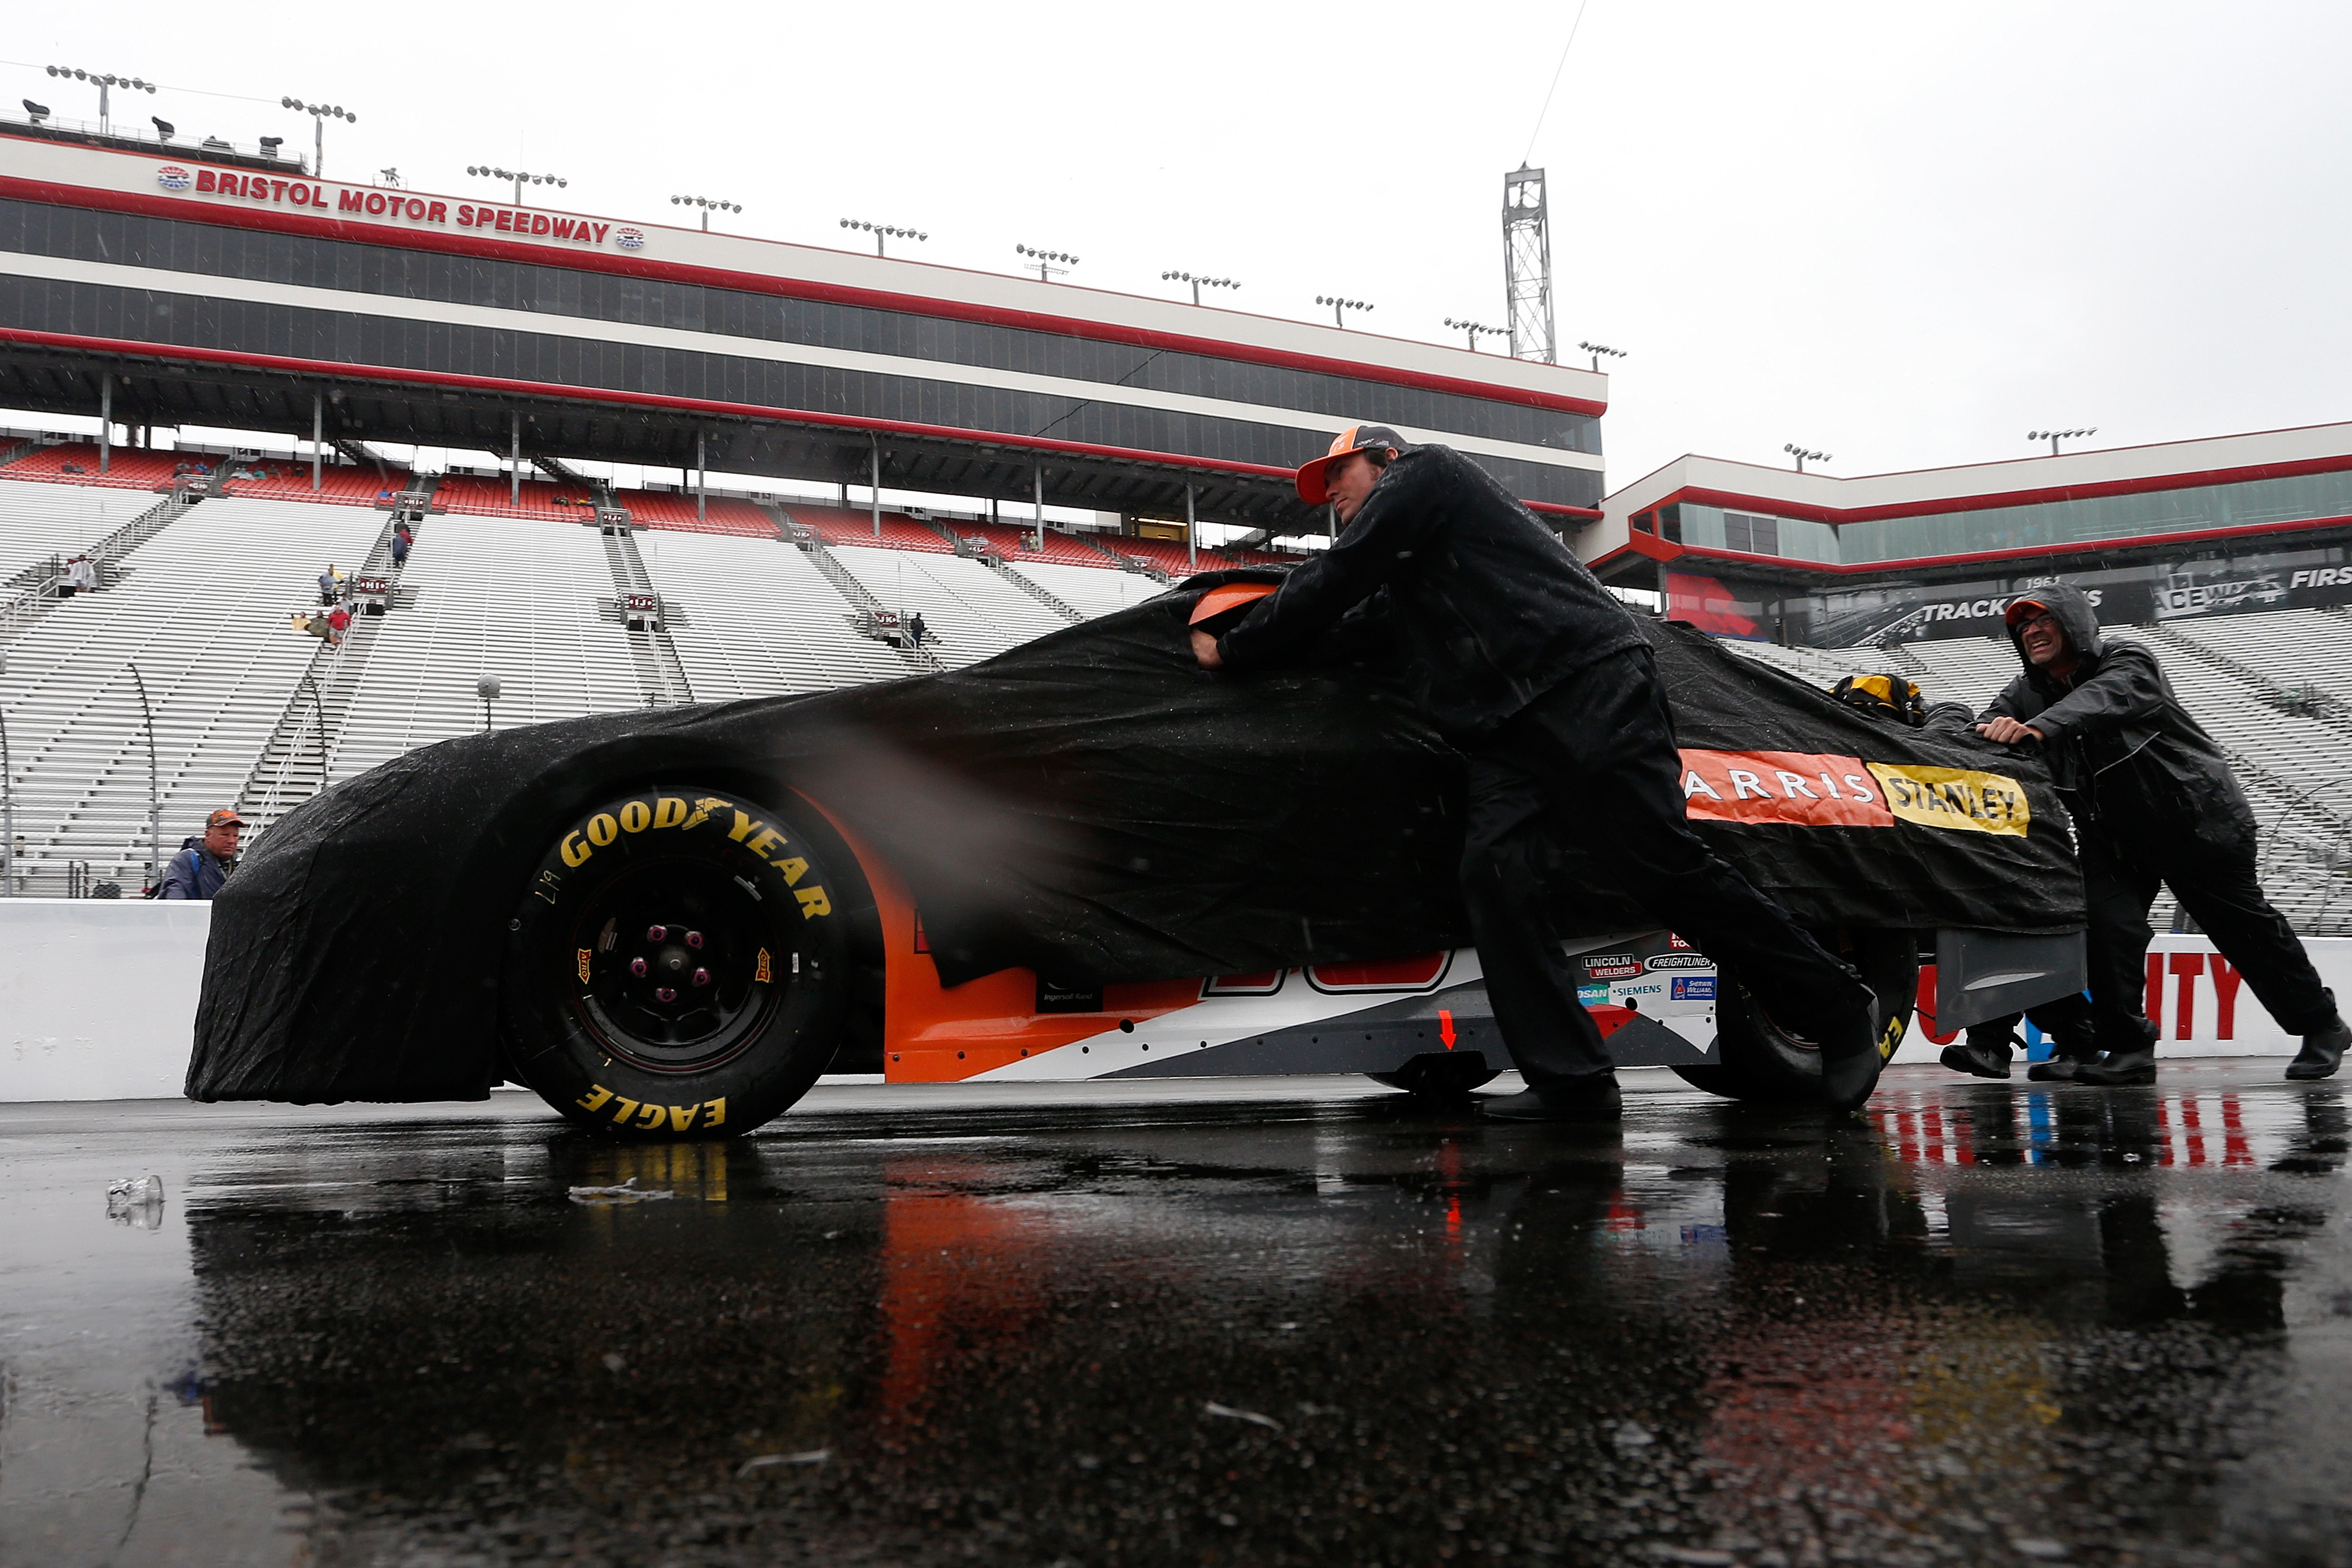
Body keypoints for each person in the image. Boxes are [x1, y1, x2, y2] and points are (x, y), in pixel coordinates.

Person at [1194, 425, 1885, 1121]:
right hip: (1507, 732)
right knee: (1495, 879)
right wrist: (1220, 628)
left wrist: (1235, 649)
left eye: (1340, 472)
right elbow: (1339, 627)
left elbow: (1339, 575)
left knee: (1663, 867)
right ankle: (1572, 1081)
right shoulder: (1405, 579)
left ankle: (1837, 1003)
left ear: (1386, 460)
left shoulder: (1428, 473)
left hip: (1588, 684)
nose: (1332, 492)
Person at [1973, 587, 2348, 1083]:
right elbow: (1982, 723)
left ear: (2076, 625)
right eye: (2022, 627)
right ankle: (2128, 1049)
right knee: (2107, 934)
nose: (2032, 632)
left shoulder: (2128, 659)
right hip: (2113, 837)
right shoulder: (2024, 691)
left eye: (2044, 621)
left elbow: (2106, 697)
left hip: (2196, 823)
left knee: (2247, 934)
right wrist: (1980, 726)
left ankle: (2322, 1026)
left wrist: (2039, 727)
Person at [156, 808, 243, 900]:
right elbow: (174, 898)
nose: (231, 841)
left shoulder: (239, 866)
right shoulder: (187, 860)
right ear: (208, 835)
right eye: (224, 835)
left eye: (235, 836)